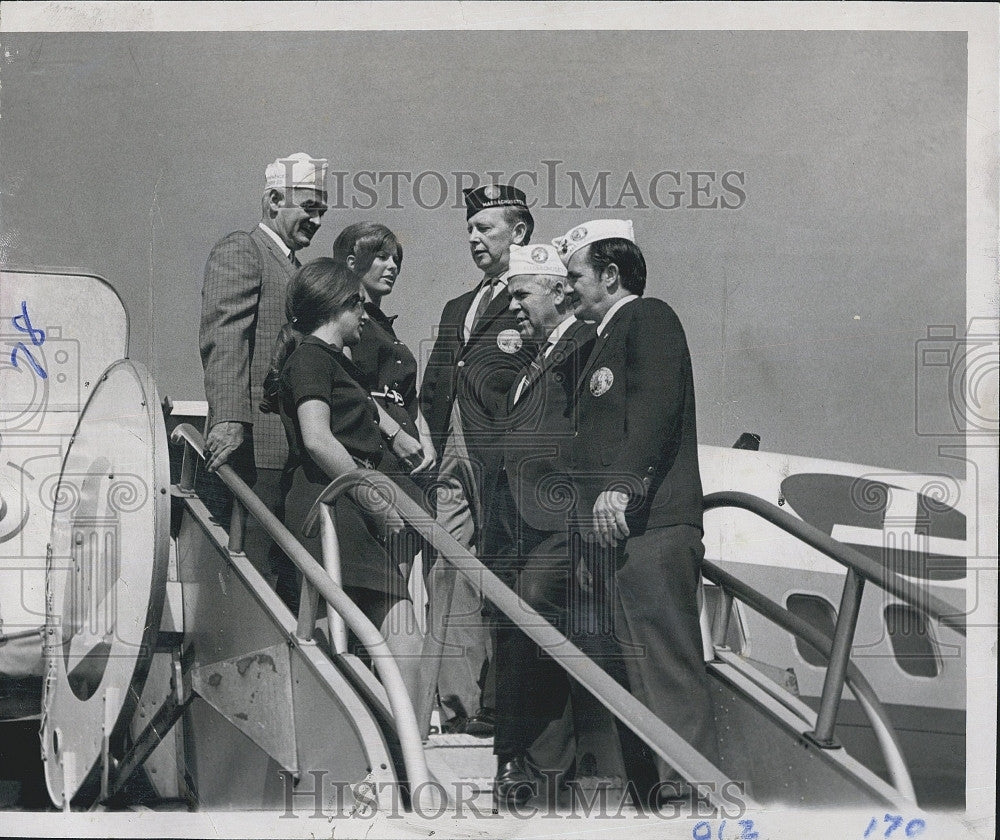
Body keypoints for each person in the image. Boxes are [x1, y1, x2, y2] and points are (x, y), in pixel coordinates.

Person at [553, 219, 721, 796]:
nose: (567, 288)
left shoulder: (649, 319)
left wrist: (622, 486)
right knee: (630, 682)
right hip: (613, 537)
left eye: (575, 277)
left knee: (665, 670)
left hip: (648, 528)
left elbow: (654, 409)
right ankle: (657, 801)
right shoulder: (601, 337)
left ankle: (691, 798)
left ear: (610, 274)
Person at [477, 243, 596, 805]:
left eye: (522, 294)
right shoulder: (531, 361)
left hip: (556, 523)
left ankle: (539, 764)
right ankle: (518, 762)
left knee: (531, 619)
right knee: (512, 632)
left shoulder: (585, 345)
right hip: (510, 526)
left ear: (559, 291)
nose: (515, 306)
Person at [276, 258, 425, 697]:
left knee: (395, 635)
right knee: (353, 638)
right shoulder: (310, 361)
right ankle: (398, 750)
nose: (365, 314)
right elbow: (318, 439)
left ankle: (403, 750)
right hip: (332, 507)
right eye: (357, 305)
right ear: (334, 307)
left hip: (348, 507)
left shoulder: (330, 362)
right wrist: (377, 501)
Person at [418, 184, 537, 734]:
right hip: (453, 453)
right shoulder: (457, 308)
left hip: (506, 458)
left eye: (485, 229)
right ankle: (455, 704)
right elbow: (433, 385)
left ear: (519, 232)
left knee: (504, 571)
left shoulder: (538, 298)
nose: (473, 239)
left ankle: (500, 702)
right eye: (469, 229)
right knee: (450, 569)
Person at [199, 152, 328, 589]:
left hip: (295, 457)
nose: (316, 220)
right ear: (274, 199)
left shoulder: (299, 269)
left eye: (322, 212)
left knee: (286, 578)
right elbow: (225, 336)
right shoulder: (243, 249)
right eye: (309, 208)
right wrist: (231, 417)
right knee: (253, 576)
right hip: (256, 451)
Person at [331, 222, 437, 479]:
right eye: (381, 257)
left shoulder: (385, 328)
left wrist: (427, 443)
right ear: (352, 262)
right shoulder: (341, 324)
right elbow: (350, 389)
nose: (393, 266)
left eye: (396, 259)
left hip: (410, 454)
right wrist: (395, 435)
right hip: (374, 448)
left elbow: (408, 398)